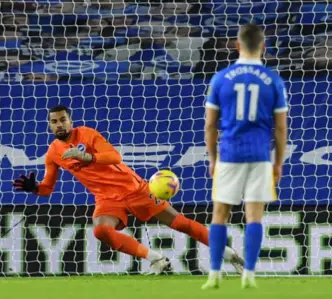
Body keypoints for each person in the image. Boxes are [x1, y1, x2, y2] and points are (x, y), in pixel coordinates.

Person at [14, 105, 244, 274]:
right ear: (49, 125)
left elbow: (115, 156)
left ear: (70, 121)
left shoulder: (87, 134)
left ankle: (228, 254)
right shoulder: (53, 152)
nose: (59, 125)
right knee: (101, 231)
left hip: (134, 189)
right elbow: (47, 189)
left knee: (180, 223)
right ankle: (156, 258)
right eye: (54, 121)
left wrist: (84, 155)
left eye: (63, 120)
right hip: (107, 200)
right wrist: (34, 188)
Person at [203, 24, 288, 289]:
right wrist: (278, 162)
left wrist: (213, 158)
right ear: (263, 47)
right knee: (254, 217)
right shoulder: (273, 80)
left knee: (220, 214)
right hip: (260, 154)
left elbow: (209, 125)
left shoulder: (221, 78)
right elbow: (281, 127)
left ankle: (215, 273)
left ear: (237, 46)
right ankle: (249, 273)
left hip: (229, 153)